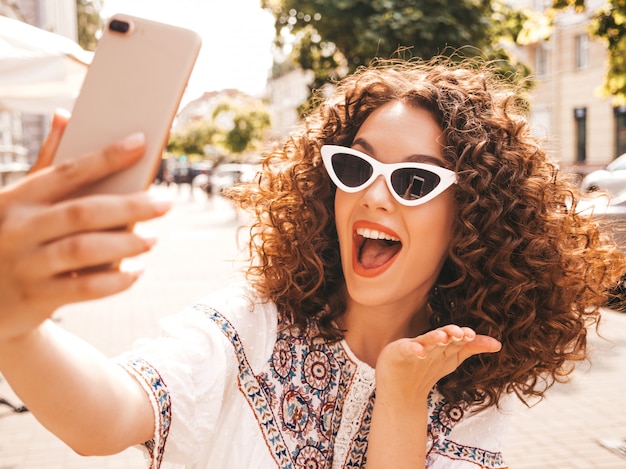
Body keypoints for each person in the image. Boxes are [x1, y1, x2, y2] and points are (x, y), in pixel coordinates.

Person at [0, 58, 623, 469]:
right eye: (355, 167)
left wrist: (402, 401)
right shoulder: (250, 326)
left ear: (472, 219)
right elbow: (102, 417)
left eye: (413, 180)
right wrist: (14, 322)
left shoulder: (465, 382)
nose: (373, 194)